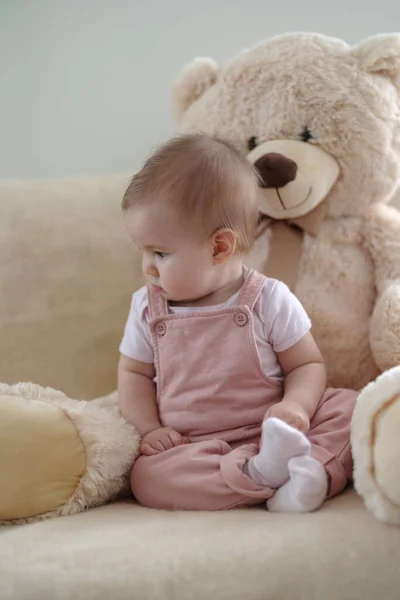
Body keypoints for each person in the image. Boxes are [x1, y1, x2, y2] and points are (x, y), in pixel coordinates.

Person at [118, 133, 357, 513]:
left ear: (219, 247)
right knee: (148, 476)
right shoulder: (147, 307)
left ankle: (310, 470)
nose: (147, 266)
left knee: (350, 407)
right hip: (194, 446)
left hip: (274, 428)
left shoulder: (269, 298)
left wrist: (295, 405)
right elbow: (133, 374)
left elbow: (307, 364)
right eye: (143, 250)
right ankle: (262, 476)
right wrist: (151, 430)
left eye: (160, 252)